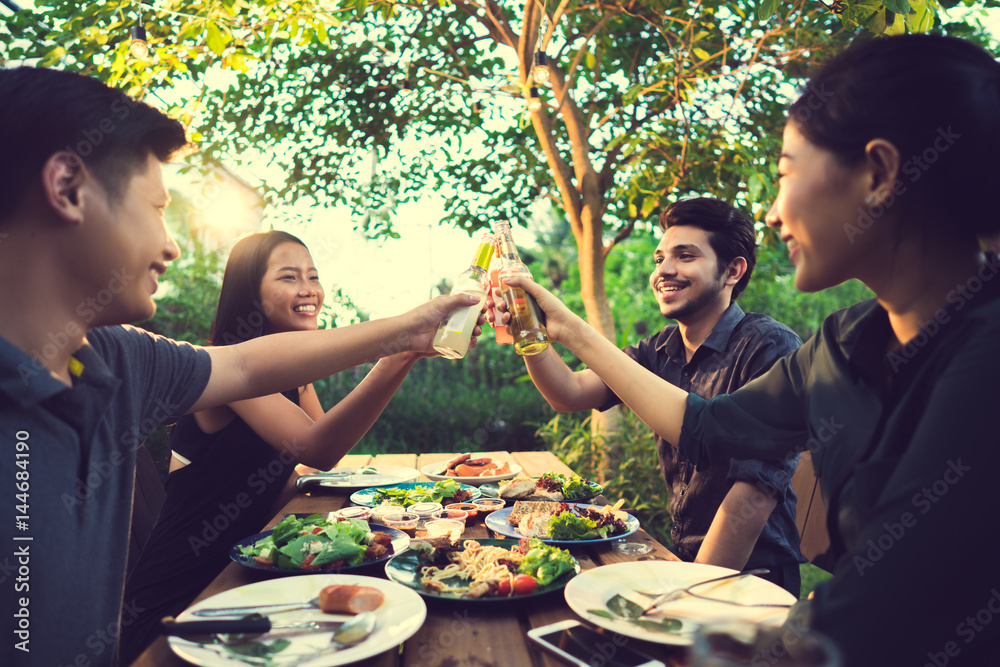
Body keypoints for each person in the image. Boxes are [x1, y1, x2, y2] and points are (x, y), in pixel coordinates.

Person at [500, 34, 1000, 666]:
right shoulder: (841, 347)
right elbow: (705, 426)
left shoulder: (984, 354)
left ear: (878, 174)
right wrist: (552, 329)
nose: (771, 212)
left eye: (786, 172)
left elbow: (879, 605)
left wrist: (679, 632)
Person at [0, 67, 482, 667]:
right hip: (179, 616)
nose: (172, 245)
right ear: (68, 186)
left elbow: (250, 367)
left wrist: (413, 331)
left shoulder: (120, 358)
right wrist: (405, 341)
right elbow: (300, 427)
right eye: (156, 207)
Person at [118, 230, 430, 661]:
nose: (309, 290)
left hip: (244, 586)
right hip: (183, 607)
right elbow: (316, 448)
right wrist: (398, 355)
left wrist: (406, 357)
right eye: (289, 277)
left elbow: (322, 466)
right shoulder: (226, 366)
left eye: (313, 275)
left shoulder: (293, 378)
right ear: (251, 295)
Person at [497, 198, 805, 594]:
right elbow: (569, 392)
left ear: (733, 270)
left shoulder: (769, 347)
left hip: (751, 582)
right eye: (659, 259)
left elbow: (754, 495)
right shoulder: (659, 349)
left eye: (685, 256)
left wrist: (687, 598)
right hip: (682, 565)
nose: (664, 271)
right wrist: (531, 331)